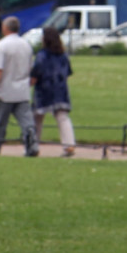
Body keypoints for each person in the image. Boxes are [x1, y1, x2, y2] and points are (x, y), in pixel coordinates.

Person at [0, 16, 37, 156]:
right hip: (22, 90)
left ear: (5, 28)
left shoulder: (1, 46)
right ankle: (32, 145)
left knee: (0, 122)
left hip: (5, 91)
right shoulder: (26, 45)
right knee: (27, 122)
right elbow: (31, 68)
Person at [32, 25, 76, 158]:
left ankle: (33, 146)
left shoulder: (42, 55)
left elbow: (36, 73)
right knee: (62, 117)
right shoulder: (63, 55)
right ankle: (69, 145)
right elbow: (68, 72)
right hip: (60, 89)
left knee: (37, 118)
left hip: (44, 90)